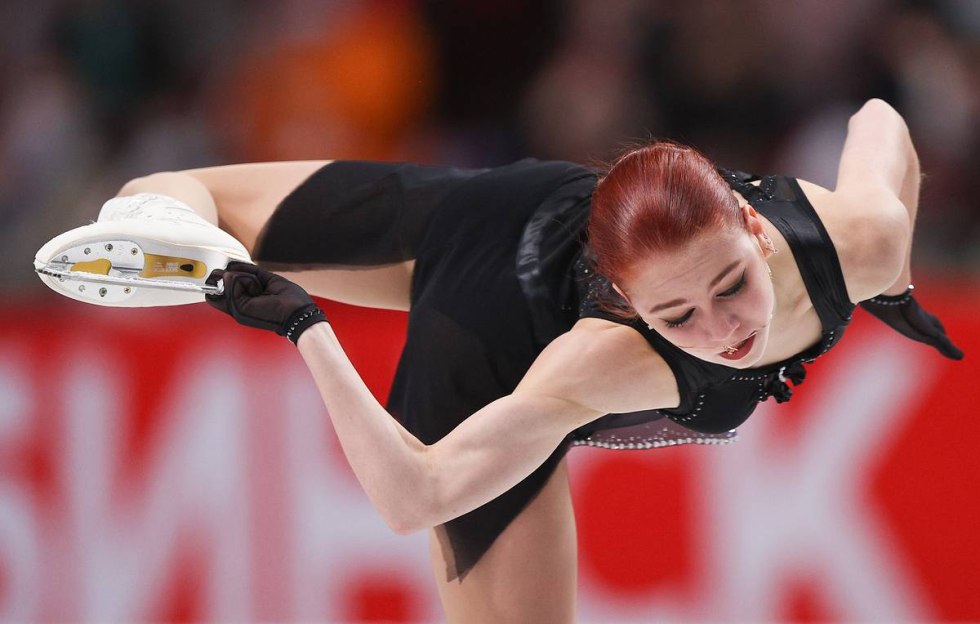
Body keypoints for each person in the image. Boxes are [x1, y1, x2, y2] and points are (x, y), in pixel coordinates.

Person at [34, 98, 962, 622]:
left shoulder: (861, 241)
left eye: (729, 286)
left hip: (549, 212)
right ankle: (170, 238)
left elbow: (880, 118)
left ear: (756, 227)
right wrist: (303, 328)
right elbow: (414, 497)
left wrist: (891, 280)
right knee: (173, 193)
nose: (721, 331)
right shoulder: (603, 364)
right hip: (489, 312)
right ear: (628, 306)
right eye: (675, 314)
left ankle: (175, 235)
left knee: (194, 205)